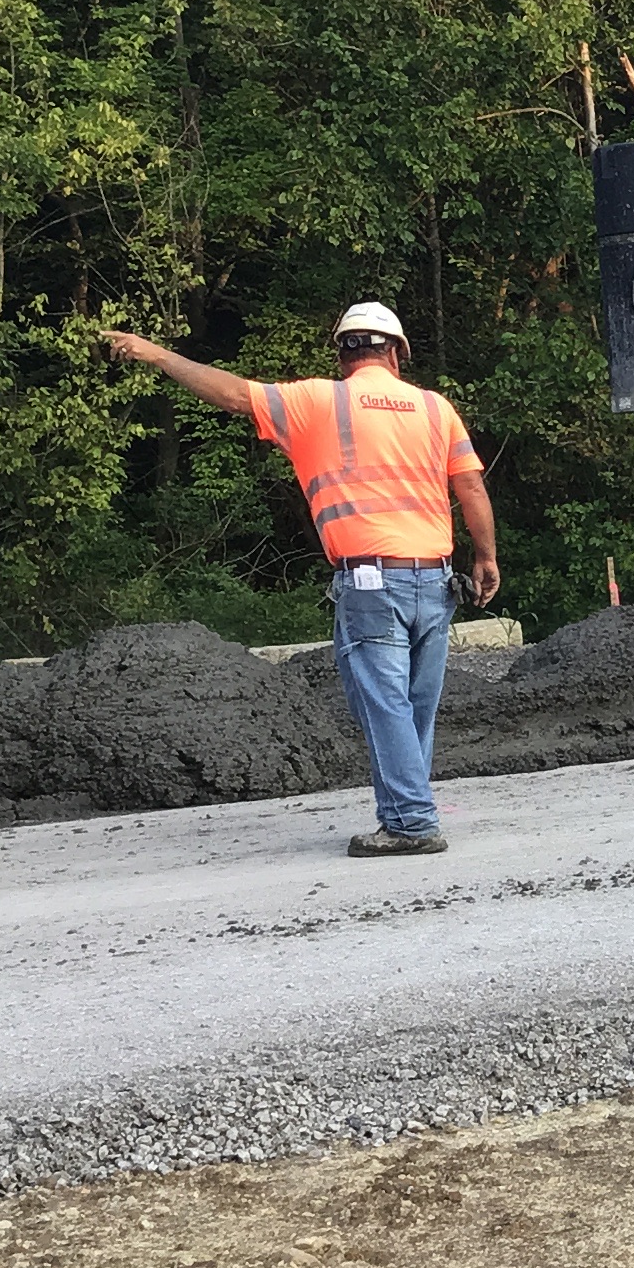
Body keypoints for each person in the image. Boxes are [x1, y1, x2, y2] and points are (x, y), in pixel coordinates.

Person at [104, 301, 501, 856]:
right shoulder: (436, 408)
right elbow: (472, 487)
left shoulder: (319, 400)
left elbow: (233, 394)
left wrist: (157, 355)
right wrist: (486, 557)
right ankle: (402, 813)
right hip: (435, 581)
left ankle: (411, 823)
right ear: (396, 353)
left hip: (371, 583)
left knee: (384, 705)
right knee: (409, 709)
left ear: (342, 354)